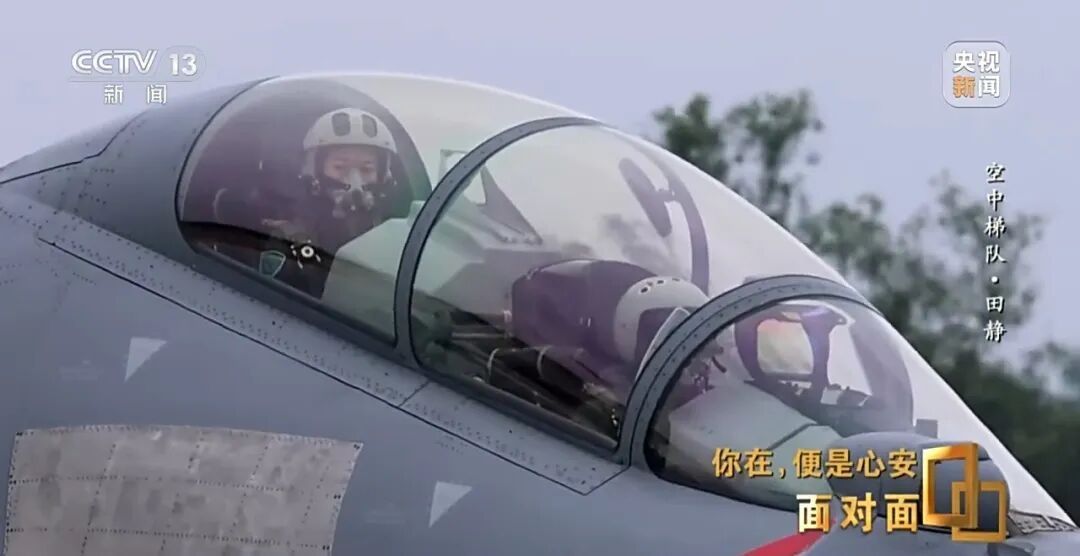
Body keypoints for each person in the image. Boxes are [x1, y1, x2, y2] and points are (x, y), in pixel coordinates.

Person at [213, 108, 407, 295]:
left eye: (366, 170)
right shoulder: (288, 239)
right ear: (314, 172)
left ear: (383, 176)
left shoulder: (395, 231)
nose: (356, 182)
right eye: (340, 167)